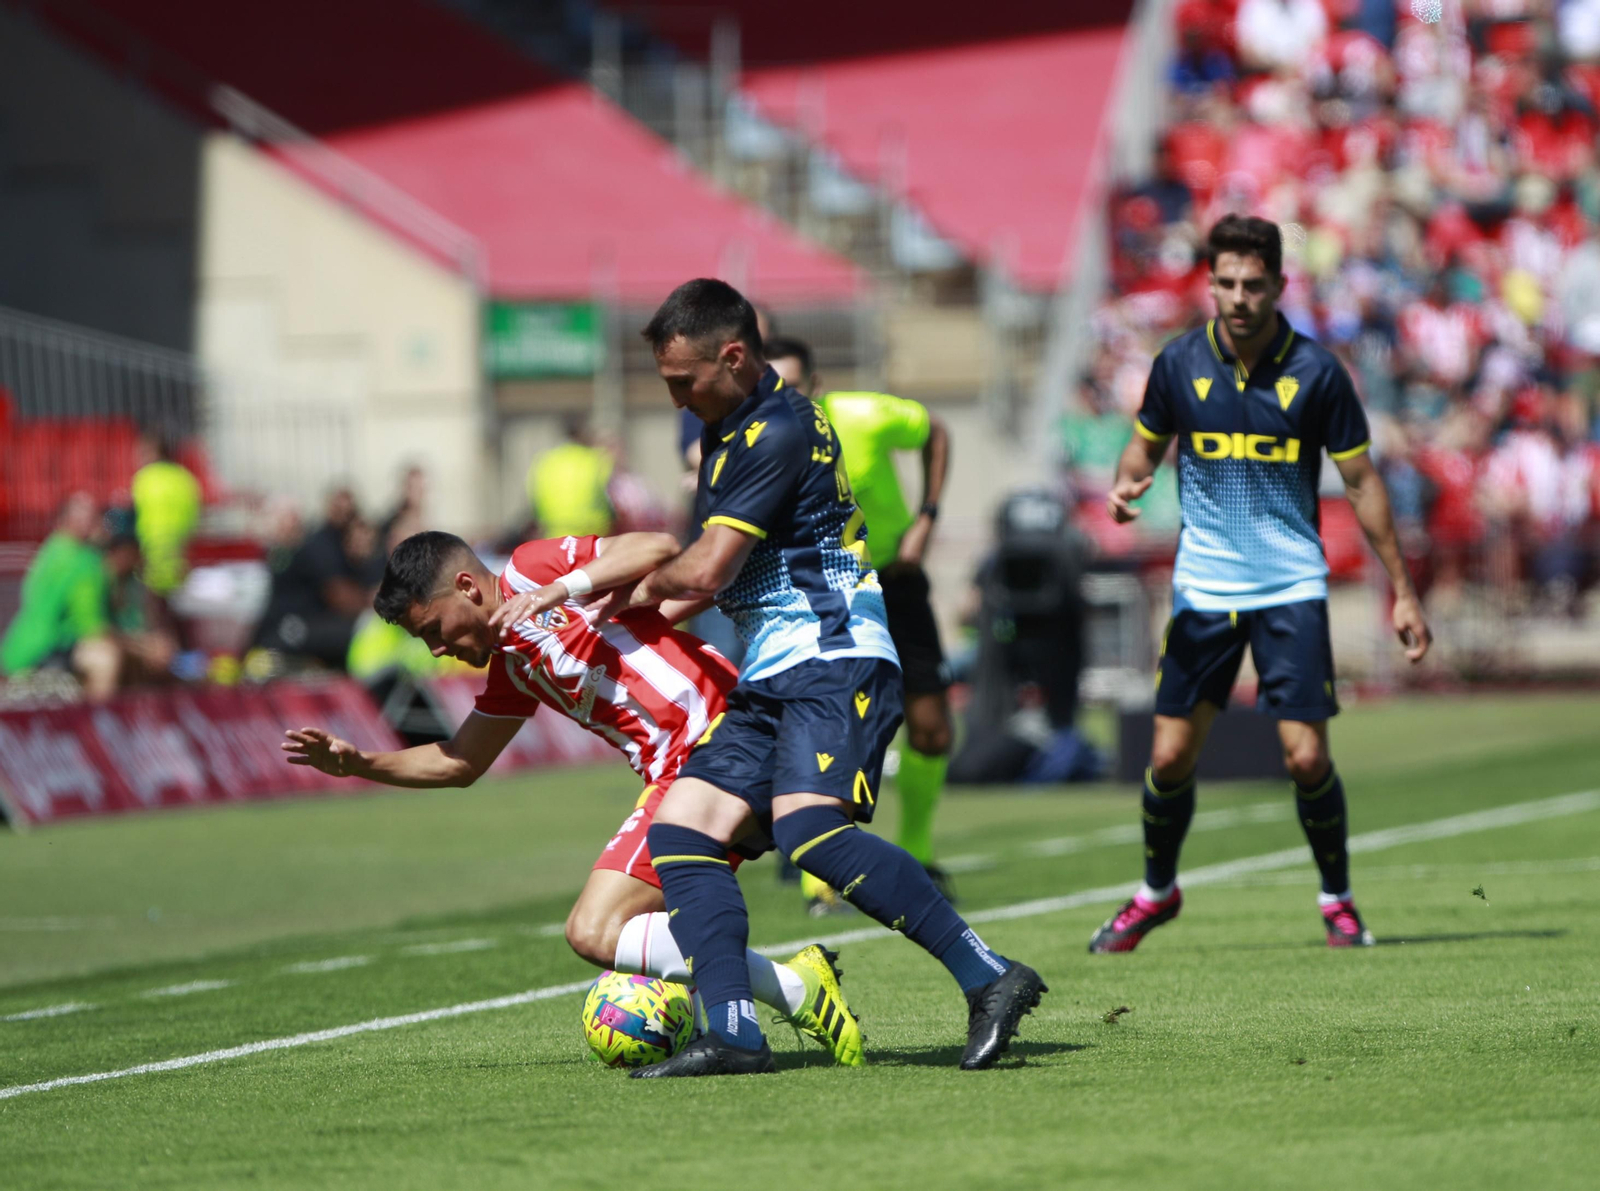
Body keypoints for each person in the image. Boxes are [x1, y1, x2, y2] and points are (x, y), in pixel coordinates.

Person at [610, 278, 1045, 1078]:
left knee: (812, 833)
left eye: (682, 379)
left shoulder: (777, 428)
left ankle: (990, 976)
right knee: (683, 832)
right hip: (774, 670)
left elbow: (705, 570)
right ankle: (736, 1032)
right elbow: (714, 584)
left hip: (831, 655)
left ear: (733, 356)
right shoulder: (727, 433)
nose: (673, 396)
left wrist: (592, 591)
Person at [281, 529, 863, 1067]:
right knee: (646, 920)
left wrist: (561, 588)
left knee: (595, 928)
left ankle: (794, 992)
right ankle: (775, 1001)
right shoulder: (512, 664)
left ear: (466, 586)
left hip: (711, 745)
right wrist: (362, 764)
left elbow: (658, 545)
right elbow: (461, 760)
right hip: (692, 765)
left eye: (434, 629)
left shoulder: (533, 572)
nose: (436, 650)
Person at [1092, 215, 1432, 954]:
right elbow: (1142, 449)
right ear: (1210, 284)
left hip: (1290, 584)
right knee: (1170, 759)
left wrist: (1402, 589)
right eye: (1227, 283)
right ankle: (1157, 891)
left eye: (1254, 284)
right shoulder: (1178, 364)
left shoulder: (1317, 372)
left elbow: (1364, 482)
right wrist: (1127, 484)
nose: (1240, 297)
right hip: (1204, 588)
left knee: (1306, 757)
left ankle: (1337, 898)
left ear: (1279, 285)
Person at [762, 336, 956, 907]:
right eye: (773, 387)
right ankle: (820, 876)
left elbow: (935, 431)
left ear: (816, 386)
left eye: (794, 386)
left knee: (931, 728)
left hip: (895, 580)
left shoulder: (865, 416)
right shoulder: (758, 445)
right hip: (824, 597)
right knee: (831, 729)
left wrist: (927, 517)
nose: (784, 397)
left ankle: (917, 849)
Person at [250, 487, 374, 670]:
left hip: (284, 632)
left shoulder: (295, 550)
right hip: (288, 633)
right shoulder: (310, 548)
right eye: (283, 519)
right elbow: (337, 594)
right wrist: (373, 606)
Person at [129, 430, 202, 600]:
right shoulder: (184, 478)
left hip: (151, 559)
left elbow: (136, 516)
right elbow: (193, 518)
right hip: (180, 557)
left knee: (155, 611)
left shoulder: (144, 478)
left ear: (154, 451)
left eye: (141, 452)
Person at [526, 417, 614, 538]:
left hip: (554, 530)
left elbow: (534, 497)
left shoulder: (545, 460)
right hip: (590, 531)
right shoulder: (595, 459)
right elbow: (609, 496)